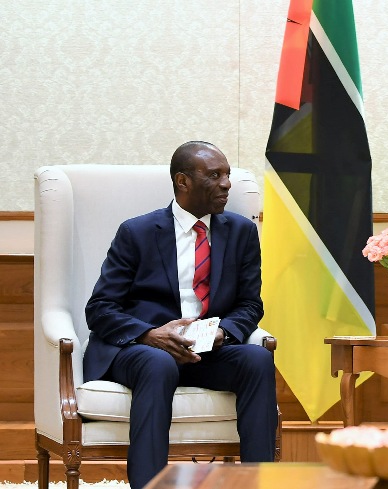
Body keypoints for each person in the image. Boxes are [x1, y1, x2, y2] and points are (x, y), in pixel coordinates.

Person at [84, 141, 277, 489]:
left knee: (257, 360)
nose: (226, 184)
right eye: (215, 175)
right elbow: (100, 309)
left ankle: (256, 482)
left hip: (207, 351)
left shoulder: (242, 232)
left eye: (228, 175)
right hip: (143, 351)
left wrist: (223, 333)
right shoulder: (137, 232)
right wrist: (149, 335)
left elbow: (250, 304)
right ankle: (149, 484)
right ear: (183, 181)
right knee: (159, 363)